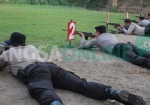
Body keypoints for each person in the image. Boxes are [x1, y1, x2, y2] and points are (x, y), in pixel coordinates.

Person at [0, 32, 147, 105]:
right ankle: (112, 92)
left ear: (12, 43)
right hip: (51, 67)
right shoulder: (31, 47)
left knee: (43, 91)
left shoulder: (8, 52)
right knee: (81, 84)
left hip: (34, 72)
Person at [79, 25, 150, 69]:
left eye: (96, 32)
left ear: (98, 33)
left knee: (135, 59)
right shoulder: (111, 35)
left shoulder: (97, 39)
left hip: (120, 49)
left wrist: (83, 37)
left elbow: (84, 46)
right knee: (145, 53)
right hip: (128, 45)